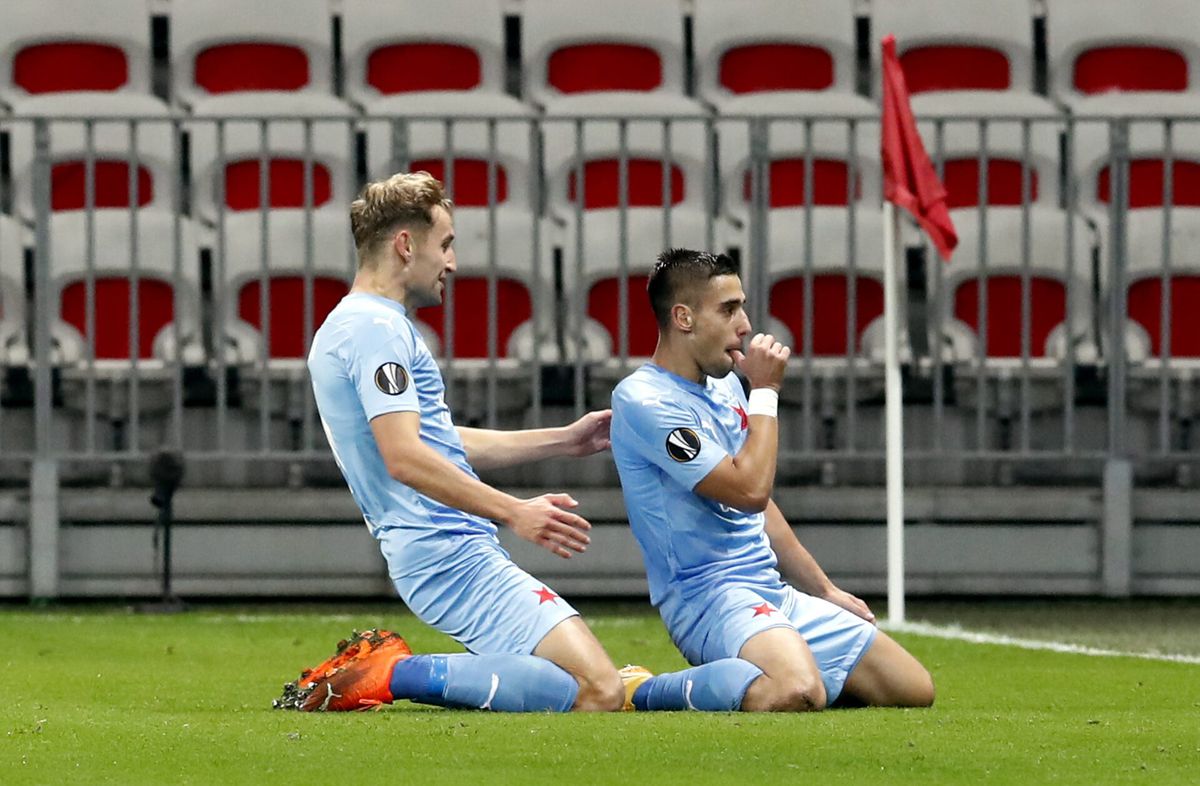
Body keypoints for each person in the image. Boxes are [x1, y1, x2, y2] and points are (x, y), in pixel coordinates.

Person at [300, 171, 624, 713]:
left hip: (440, 546)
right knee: (600, 690)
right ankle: (391, 672)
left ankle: (392, 672)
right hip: (445, 548)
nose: (453, 263)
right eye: (445, 245)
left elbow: (436, 442)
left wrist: (563, 442)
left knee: (571, 682)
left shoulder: (359, 324)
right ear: (406, 245)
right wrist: (513, 511)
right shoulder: (373, 330)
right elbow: (404, 458)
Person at [608, 248, 935, 712]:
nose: (744, 324)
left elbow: (759, 505)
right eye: (728, 309)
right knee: (796, 690)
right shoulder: (645, 401)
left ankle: (772, 663)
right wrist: (765, 391)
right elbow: (749, 488)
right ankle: (642, 689)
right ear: (683, 317)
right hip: (708, 599)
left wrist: (823, 590)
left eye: (741, 306)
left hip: (769, 591)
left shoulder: (721, 384)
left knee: (912, 690)